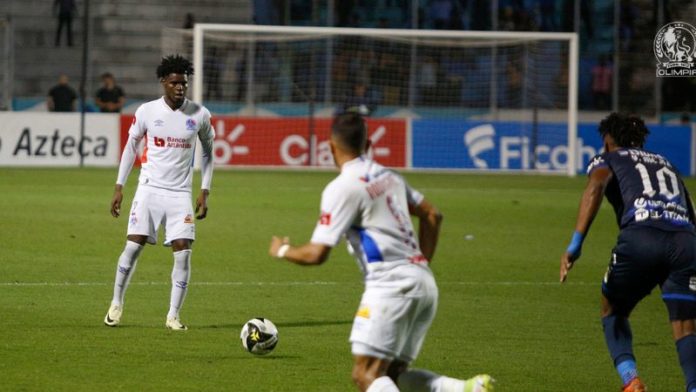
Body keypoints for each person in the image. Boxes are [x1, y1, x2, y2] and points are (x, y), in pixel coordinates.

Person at [268, 112, 494, 392]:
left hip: (390, 286)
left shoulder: (342, 187)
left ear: (329, 147)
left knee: (366, 374)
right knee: (395, 375)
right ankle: (467, 389)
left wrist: (283, 250)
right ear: (369, 144)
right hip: (423, 283)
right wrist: (418, 263)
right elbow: (433, 215)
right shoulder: (390, 177)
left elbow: (316, 254)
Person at [560, 112, 696, 392]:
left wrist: (575, 244)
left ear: (607, 141)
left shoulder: (607, 159)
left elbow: (595, 187)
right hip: (686, 242)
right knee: (685, 325)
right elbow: (690, 211)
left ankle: (631, 380)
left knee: (612, 310)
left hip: (641, 238)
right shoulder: (666, 164)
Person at [104, 55, 215, 331]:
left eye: (184, 83)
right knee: (132, 246)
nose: (180, 88)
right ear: (164, 82)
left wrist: (205, 189)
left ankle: (173, 316)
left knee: (184, 252)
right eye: (175, 82)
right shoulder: (147, 111)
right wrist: (120, 187)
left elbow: (209, 153)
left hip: (180, 195)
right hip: (149, 190)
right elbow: (131, 149)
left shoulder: (199, 114)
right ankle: (116, 303)